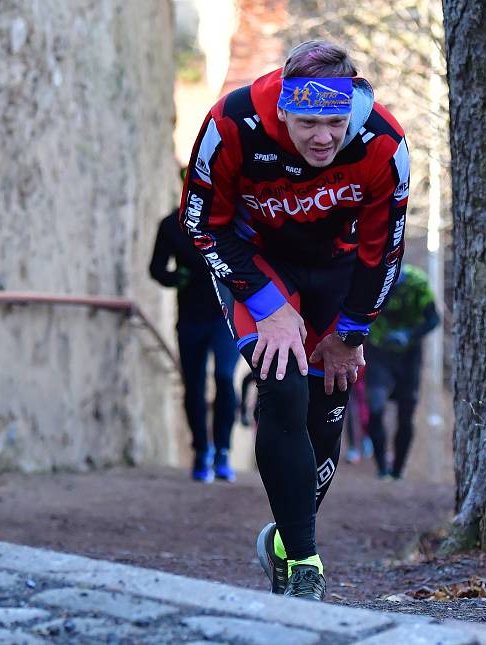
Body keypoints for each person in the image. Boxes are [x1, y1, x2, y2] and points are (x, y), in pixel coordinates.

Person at [179, 40, 409, 601]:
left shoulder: (384, 142)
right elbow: (201, 222)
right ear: (282, 109)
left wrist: (350, 334)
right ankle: (306, 563)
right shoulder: (232, 122)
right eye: (308, 122)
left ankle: (287, 536)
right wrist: (269, 308)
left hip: (338, 268)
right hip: (258, 265)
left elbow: (387, 251)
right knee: (282, 382)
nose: (324, 137)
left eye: (336, 121)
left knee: (327, 401)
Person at [149, 196, 239, 483]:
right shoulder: (171, 225)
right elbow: (157, 268)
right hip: (190, 318)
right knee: (194, 386)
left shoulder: (230, 219)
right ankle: (201, 451)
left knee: (225, 378)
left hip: (226, 316)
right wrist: (178, 278)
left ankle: (223, 451)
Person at [365, 264, 439, 479]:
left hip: (409, 356)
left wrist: (409, 334)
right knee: (376, 407)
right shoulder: (371, 280)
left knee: (406, 414)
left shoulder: (418, 283)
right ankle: (381, 469)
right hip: (379, 353)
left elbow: (433, 320)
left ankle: (398, 471)